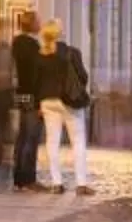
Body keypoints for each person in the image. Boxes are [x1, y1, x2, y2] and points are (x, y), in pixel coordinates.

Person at [35, 20, 92, 195]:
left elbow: (35, 82)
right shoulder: (71, 53)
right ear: (60, 34)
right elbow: (82, 76)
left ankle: (56, 182)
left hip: (47, 101)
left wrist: (37, 103)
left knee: (52, 141)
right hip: (68, 101)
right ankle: (81, 184)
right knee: (78, 141)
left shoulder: (40, 55)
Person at [9, 5, 43, 191]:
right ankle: (28, 179)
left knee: (22, 136)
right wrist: (40, 100)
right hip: (32, 95)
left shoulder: (17, 43)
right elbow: (36, 75)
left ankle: (18, 177)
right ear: (32, 24)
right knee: (31, 136)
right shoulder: (32, 46)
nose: (41, 24)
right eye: (38, 21)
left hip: (22, 93)